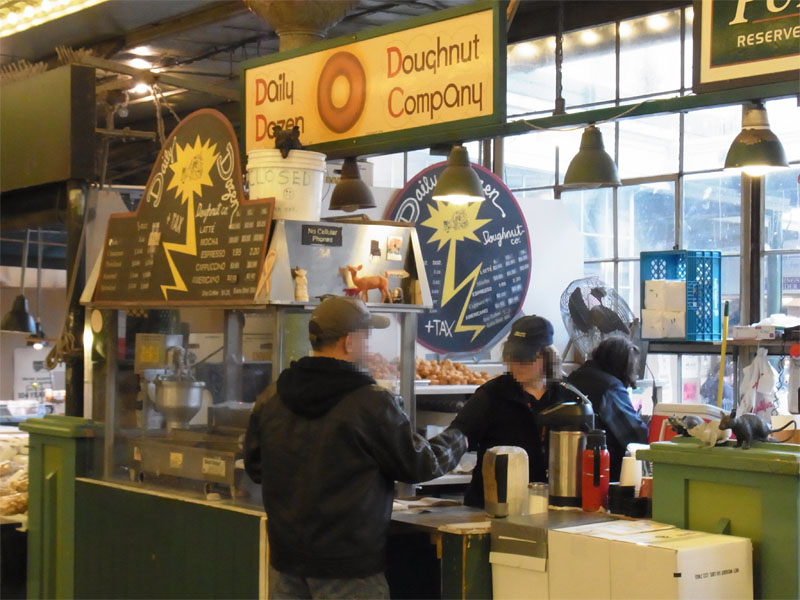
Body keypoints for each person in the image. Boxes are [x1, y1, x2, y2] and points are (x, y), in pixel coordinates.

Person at [244, 296, 466, 600]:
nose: (369, 345)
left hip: (286, 564)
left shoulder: (271, 397)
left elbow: (256, 467)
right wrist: (459, 438)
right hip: (349, 569)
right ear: (349, 342)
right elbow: (418, 464)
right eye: (366, 336)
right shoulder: (372, 402)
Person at [451, 315, 567, 508]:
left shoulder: (566, 396)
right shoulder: (491, 395)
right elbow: (457, 435)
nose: (517, 364)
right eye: (513, 357)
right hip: (492, 506)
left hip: (550, 505)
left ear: (547, 357)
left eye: (526, 358)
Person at [566, 336, 649, 481]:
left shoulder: (573, 378)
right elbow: (636, 437)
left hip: (570, 470)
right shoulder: (610, 388)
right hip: (604, 475)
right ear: (622, 365)